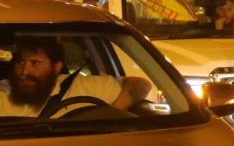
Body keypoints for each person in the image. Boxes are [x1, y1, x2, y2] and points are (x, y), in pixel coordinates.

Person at [0, 37, 152, 117]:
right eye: (20, 62)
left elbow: (140, 84)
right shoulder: (3, 92)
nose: (24, 71)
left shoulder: (84, 86)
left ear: (56, 67)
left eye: (35, 63)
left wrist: (115, 113)